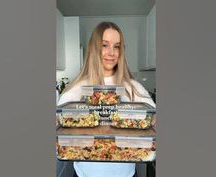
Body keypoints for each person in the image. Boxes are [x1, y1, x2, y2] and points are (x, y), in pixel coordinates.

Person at [58, 21, 156, 177]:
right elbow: (60, 125)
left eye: (117, 46)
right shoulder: (77, 89)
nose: (112, 53)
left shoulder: (133, 87)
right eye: (105, 45)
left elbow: (154, 121)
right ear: (93, 48)